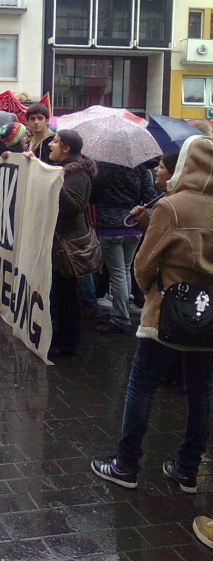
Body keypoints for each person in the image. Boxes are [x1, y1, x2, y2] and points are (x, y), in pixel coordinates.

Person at [91, 135, 213, 493]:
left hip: (166, 311)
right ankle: (187, 469)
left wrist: (151, 292)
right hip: (208, 314)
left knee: (141, 386)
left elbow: (143, 264)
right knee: (202, 393)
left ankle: (126, 465)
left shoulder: (172, 206)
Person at [29, 130, 97, 355]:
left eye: (55, 142)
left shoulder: (76, 173)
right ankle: (60, 337)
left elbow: (73, 207)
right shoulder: (66, 170)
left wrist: (55, 181)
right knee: (60, 293)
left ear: (66, 148)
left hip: (69, 244)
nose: (50, 146)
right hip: (61, 241)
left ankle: (67, 344)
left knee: (67, 295)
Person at [92, 162, 157, 334]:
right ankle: (123, 310)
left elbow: (92, 196)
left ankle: (120, 318)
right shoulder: (140, 168)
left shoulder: (101, 167)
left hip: (109, 226)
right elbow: (150, 195)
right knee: (125, 270)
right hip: (133, 224)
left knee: (118, 273)